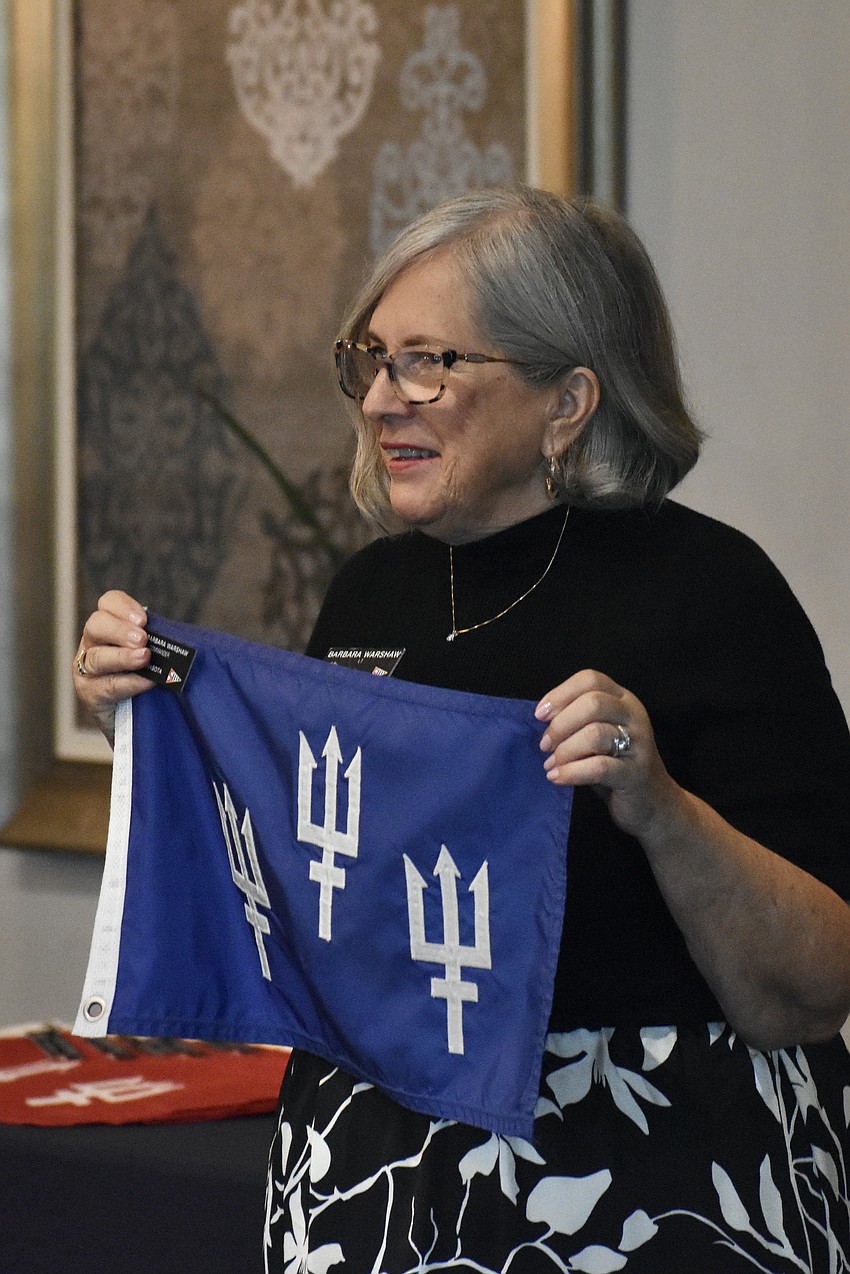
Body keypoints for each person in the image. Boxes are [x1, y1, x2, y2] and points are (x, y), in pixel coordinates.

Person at [75, 186, 850, 1272]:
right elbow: (312, 882)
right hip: (377, 1166)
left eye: (430, 361)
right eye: (372, 358)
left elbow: (817, 981)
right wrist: (145, 722)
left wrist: (660, 808)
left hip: (641, 1170)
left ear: (567, 400)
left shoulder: (713, 595)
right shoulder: (368, 594)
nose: (384, 397)